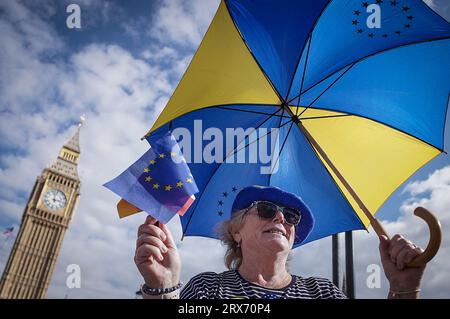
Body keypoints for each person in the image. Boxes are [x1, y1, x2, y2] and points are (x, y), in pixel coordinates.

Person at [135, 185, 425, 299]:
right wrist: (163, 289)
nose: (280, 219)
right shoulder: (209, 288)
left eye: (290, 216)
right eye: (265, 210)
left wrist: (404, 289)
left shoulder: (323, 293)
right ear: (236, 232)